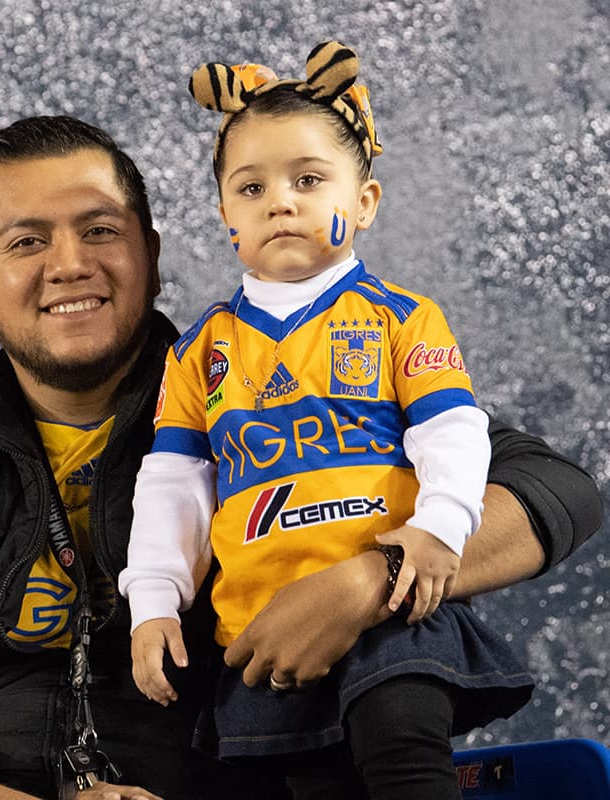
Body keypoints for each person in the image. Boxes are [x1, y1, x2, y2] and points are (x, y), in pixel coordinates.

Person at [0, 114, 601, 800]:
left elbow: (556, 490)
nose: (69, 264)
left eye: (99, 231)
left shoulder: (252, 377)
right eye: (26, 242)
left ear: (151, 256)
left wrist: (370, 580)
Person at [120, 41, 533, 799]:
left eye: (309, 180)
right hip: (263, 624)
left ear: (365, 201)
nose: (280, 201)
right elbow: (173, 484)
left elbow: (453, 431)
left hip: (391, 612)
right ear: (224, 217)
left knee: (403, 750)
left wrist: (440, 529)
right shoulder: (199, 353)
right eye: (251, 188)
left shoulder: (399, 318)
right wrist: (151, 603)